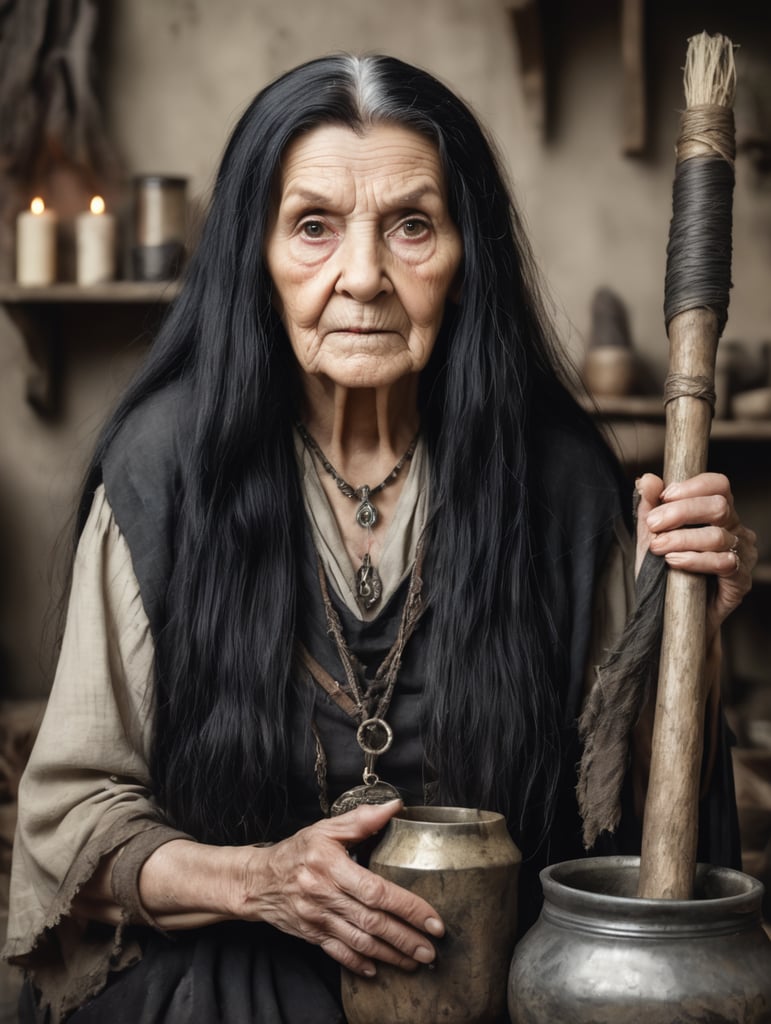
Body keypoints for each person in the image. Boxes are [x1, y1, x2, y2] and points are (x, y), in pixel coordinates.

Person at [4, 53, 756, 1023]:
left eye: (411, 226)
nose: (363, 278)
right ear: (256, 258)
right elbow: (73, 828)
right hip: (226, 990)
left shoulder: (562, 482)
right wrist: (259, 880)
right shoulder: (165, 472)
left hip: (494, 988)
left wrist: (688, 620)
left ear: (466, 259)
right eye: (313, 227)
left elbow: (642, 822)